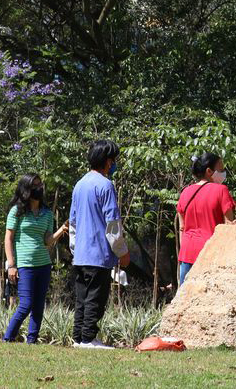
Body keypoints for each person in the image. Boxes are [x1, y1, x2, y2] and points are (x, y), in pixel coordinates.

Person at [70, 140, 130, 350]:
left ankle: (78, 337)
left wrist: (74, 250)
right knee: (96, 297)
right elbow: (112, 224)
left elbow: (73, 223)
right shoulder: (105, 185)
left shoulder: (79, 184)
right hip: (99, 254)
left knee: (82, 299)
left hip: (81, 255)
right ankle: (89, 339)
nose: (113, 164)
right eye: (113, 160)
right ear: (106, 161)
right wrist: (122, 251)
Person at [2, 173, 69, 343]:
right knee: (25, 305)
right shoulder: (17, 211)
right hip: (24, 265)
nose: (39, 188)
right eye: (35, 186)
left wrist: (61, 229)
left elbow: (47, 241)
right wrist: (11, 265)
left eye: (40, 185)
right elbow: (8, 239)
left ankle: (31, 341)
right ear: (26, 189)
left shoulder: (47, 213)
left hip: (44, 265)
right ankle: (7, 339)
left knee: (38, 306)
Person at [176, 152, 236, 285]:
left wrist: (184, 249)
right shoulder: (221, 190)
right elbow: (229, 226)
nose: (223, 173)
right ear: (209, 171)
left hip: (187, 253)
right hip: (211, 253)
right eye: (221, 169)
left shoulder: (185, 192)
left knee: (186, 300)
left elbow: (182, 227)